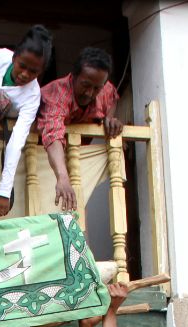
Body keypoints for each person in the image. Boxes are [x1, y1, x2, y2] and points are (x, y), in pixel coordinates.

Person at [0, 25, 53, 219]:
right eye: (22, 66)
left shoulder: (33, 96)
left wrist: (4, 190)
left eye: (34, 71)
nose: (25, 74)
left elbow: (17, 141)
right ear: (14, 57)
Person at [37, 46, 124, 211]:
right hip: (41, 162)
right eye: (85, 85)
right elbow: (53, 134)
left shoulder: (105, 90)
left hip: (75, 162)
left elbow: (112, 96)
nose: (90, 93)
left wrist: (109, 117)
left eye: (96, 88)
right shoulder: (57, 93)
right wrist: (62, 176)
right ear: (74, 76)